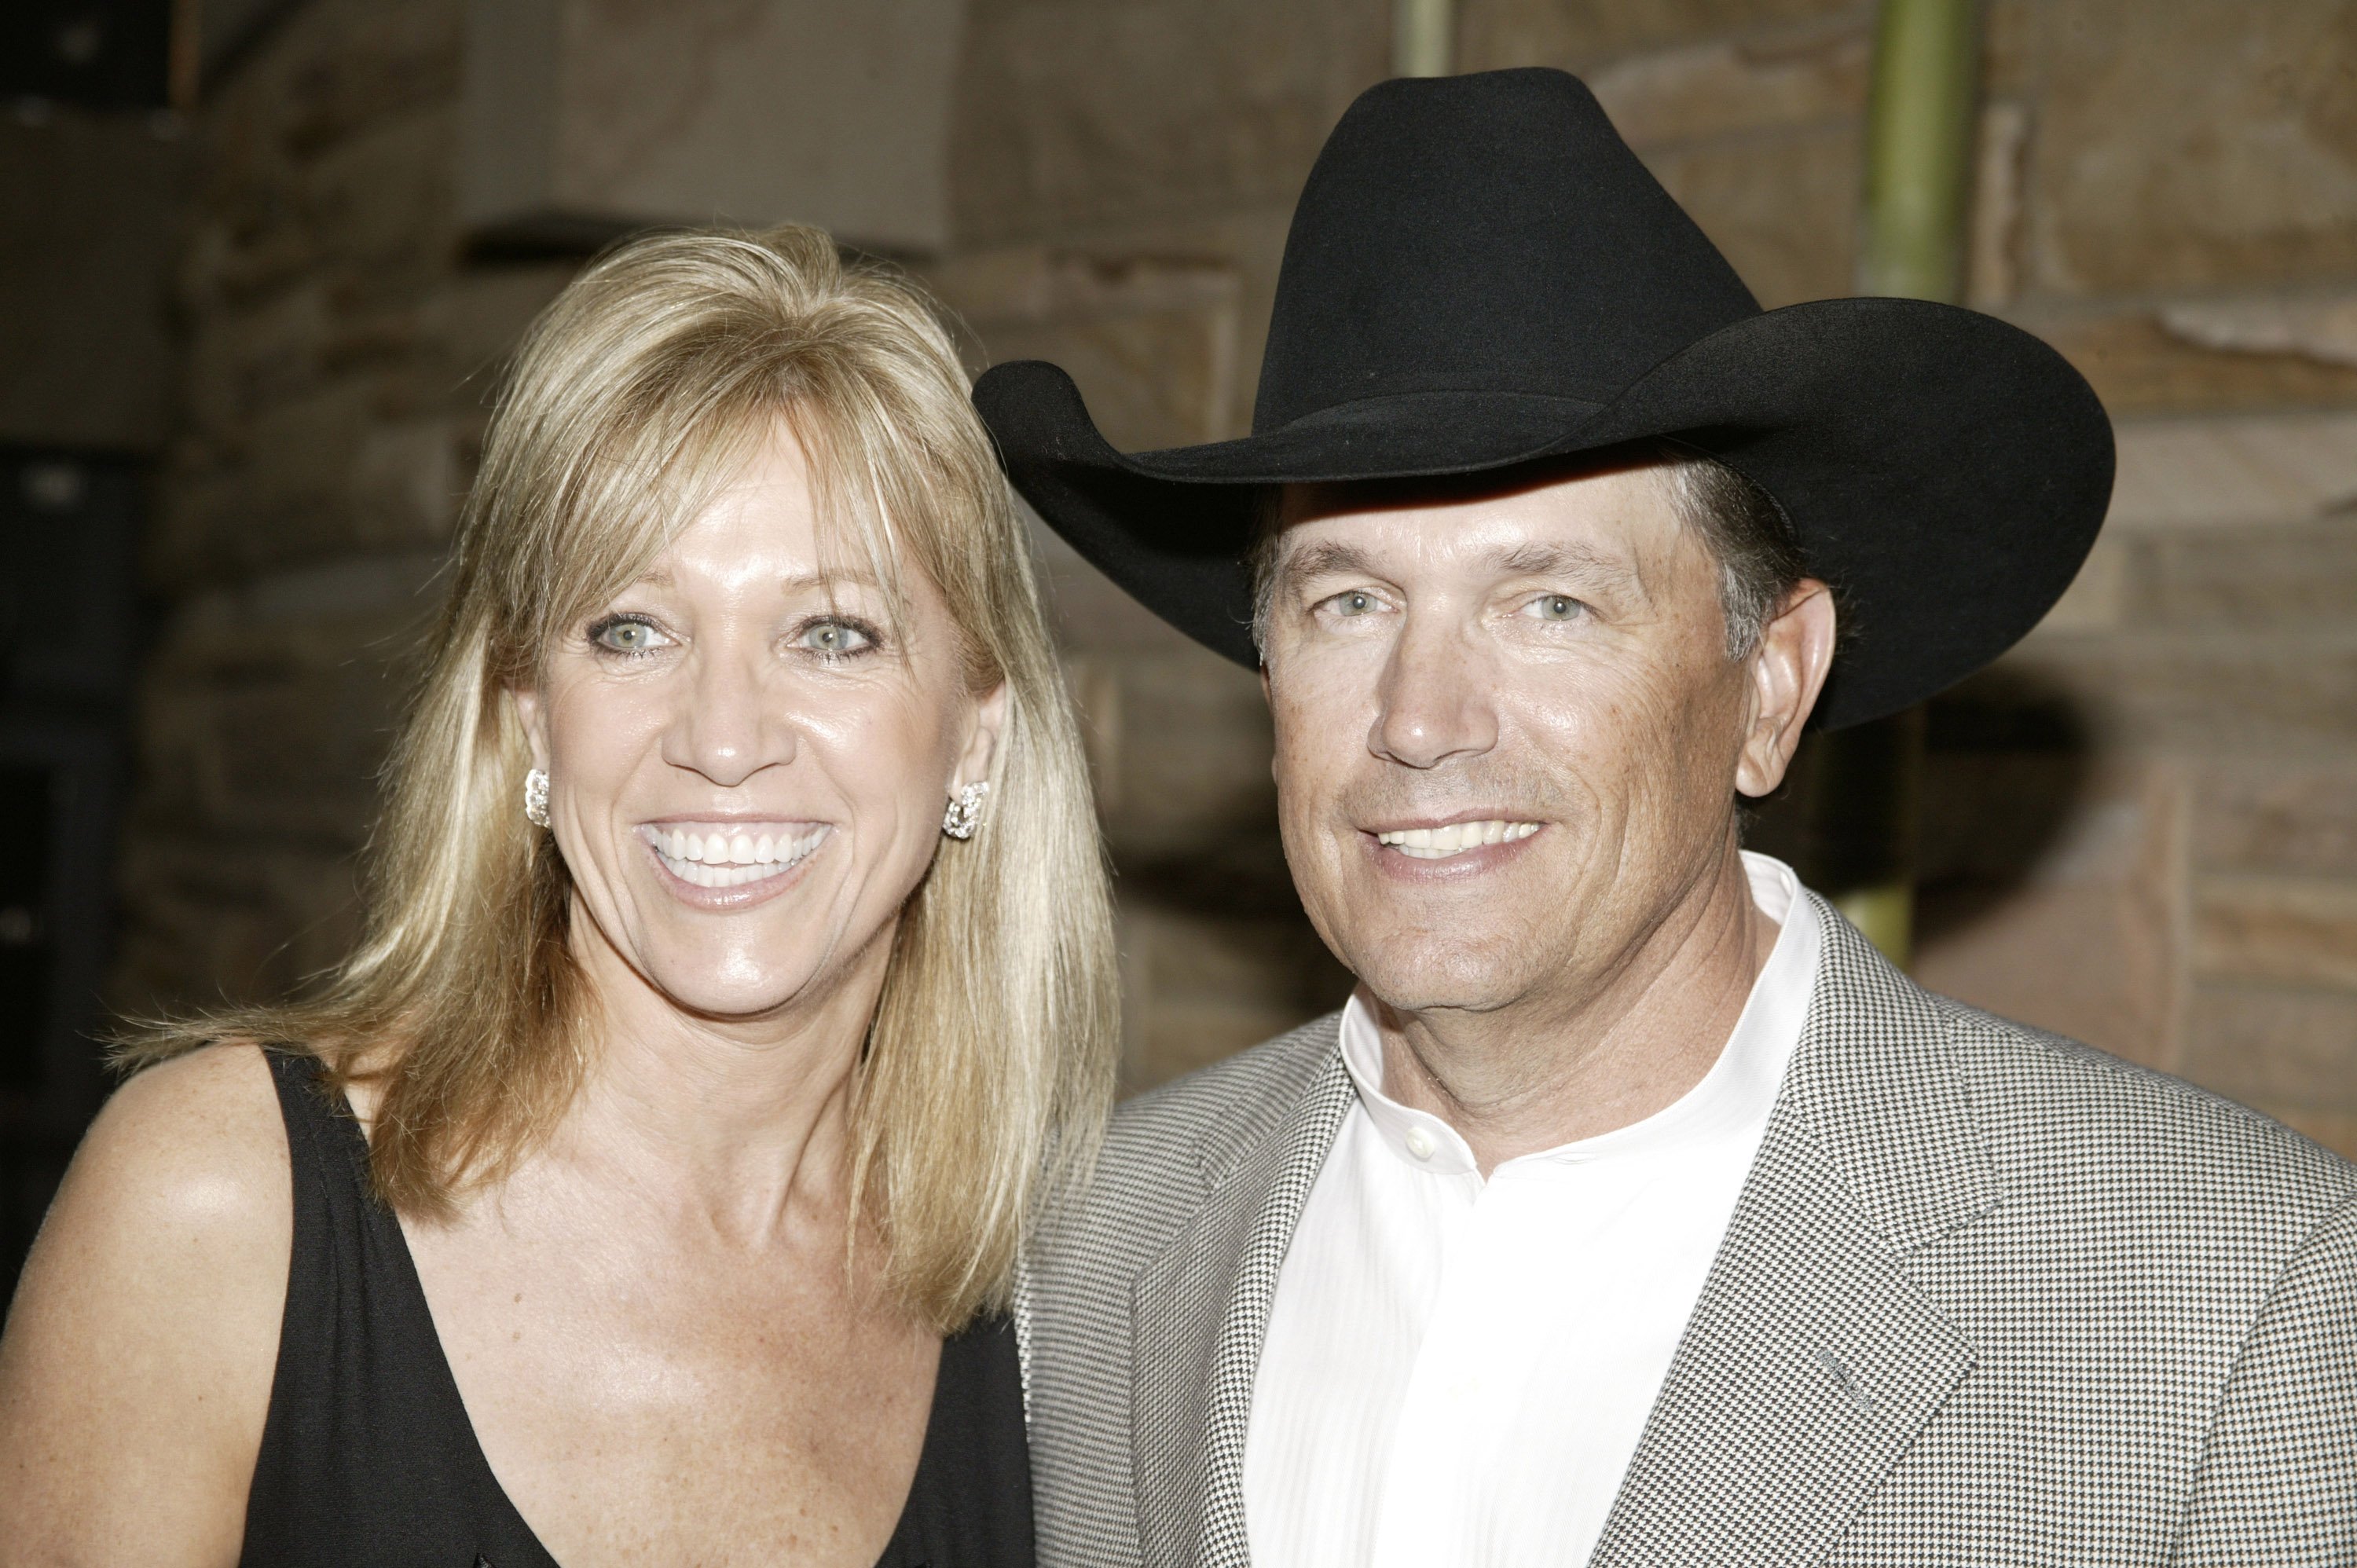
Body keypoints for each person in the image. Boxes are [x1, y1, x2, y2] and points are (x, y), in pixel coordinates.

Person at [978, 69, 2357, 1566]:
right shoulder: (1083, 1252)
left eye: (1551, 602)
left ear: (1772, 684)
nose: (1423, 716)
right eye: (1350, 601)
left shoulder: (2225, 1311)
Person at [0, 225, 1116, 1566]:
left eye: (832, 634)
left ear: (977, 735)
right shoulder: (220, 1207)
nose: (721, 734)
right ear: (529, 717)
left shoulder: (1061, 1318)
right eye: (631, 630)